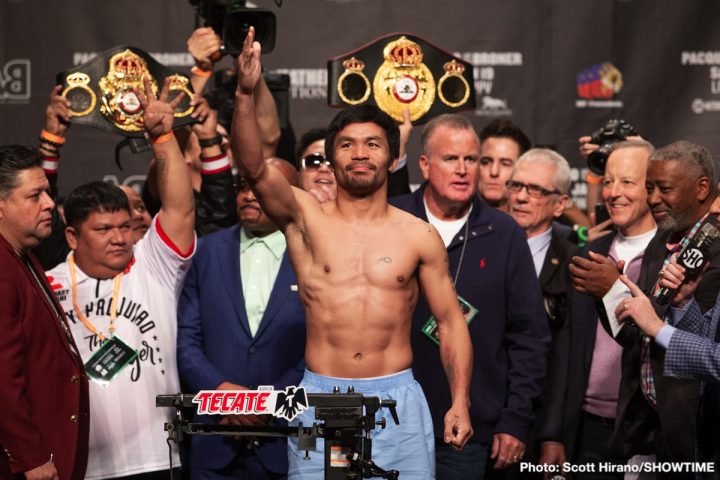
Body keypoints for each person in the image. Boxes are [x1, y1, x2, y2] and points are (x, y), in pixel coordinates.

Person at [231, 28, 473, 480]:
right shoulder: (305, 218)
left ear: (393, 155)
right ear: (331, 157)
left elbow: (450, 320)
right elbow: (254, 167)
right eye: (346, 145)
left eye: (372, 144)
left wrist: (460, 400)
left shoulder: (419, 236)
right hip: (322, 401)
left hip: (398, 400)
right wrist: (245, 95)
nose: (359, 154)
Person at [45, 78, 196, 479]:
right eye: (103, 230)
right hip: (79, 464)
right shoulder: (49, 285)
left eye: (124, 226)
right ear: (73, 236)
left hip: (156, 459)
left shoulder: (152, 265)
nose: (119, 238)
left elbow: (179, 208)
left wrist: (162, 136)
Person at [390, 114, 548, 479]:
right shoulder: (393, 218)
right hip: (391, 422)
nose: (463, 170)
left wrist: (515, 419)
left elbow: (530, 336)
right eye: (451, 159)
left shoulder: (504, 232)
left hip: (468, 430)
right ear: (425, 165)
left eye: (471, 159)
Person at [568, 140, 720, 469]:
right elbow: (638, 336)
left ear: (702, 188)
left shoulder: (715, 250)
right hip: (646, 428)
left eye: (663, 188)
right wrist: (610, 295)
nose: (652, 199)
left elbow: (698, 349)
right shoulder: (659, 241)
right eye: (649, 187)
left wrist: (613, 290)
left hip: (696, 434)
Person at [177, 158, 307, 479]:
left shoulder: (315, 254)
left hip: (286, 437)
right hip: (214, 435)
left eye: (260, 187)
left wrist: (266, 403)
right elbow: (186, 341)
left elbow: (325, 347)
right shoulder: (206, 251)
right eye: (243, 187)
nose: (248, 195)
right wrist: (224, 395)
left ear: (293, 196)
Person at [537, 140, 656, 477]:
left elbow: (664, 342)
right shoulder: (590, 252)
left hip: (646, 433)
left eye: (627, 182)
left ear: (653, 187)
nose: (614, 192)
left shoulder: (673, 257)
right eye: (607, 181)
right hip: (585, 427)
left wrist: (613, 289)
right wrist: (552, 433)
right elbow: (567, 346)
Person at [0, 145, 89, 480]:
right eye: (35, 195)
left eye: (48, 194)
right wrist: (29, 456)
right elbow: (2, 377)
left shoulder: (21, 256)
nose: (51, 204)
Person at [477, 118, 531, 212]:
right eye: (486, 162)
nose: (494, 172)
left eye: (505, 164)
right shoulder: (453, 223)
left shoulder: (535, 224)